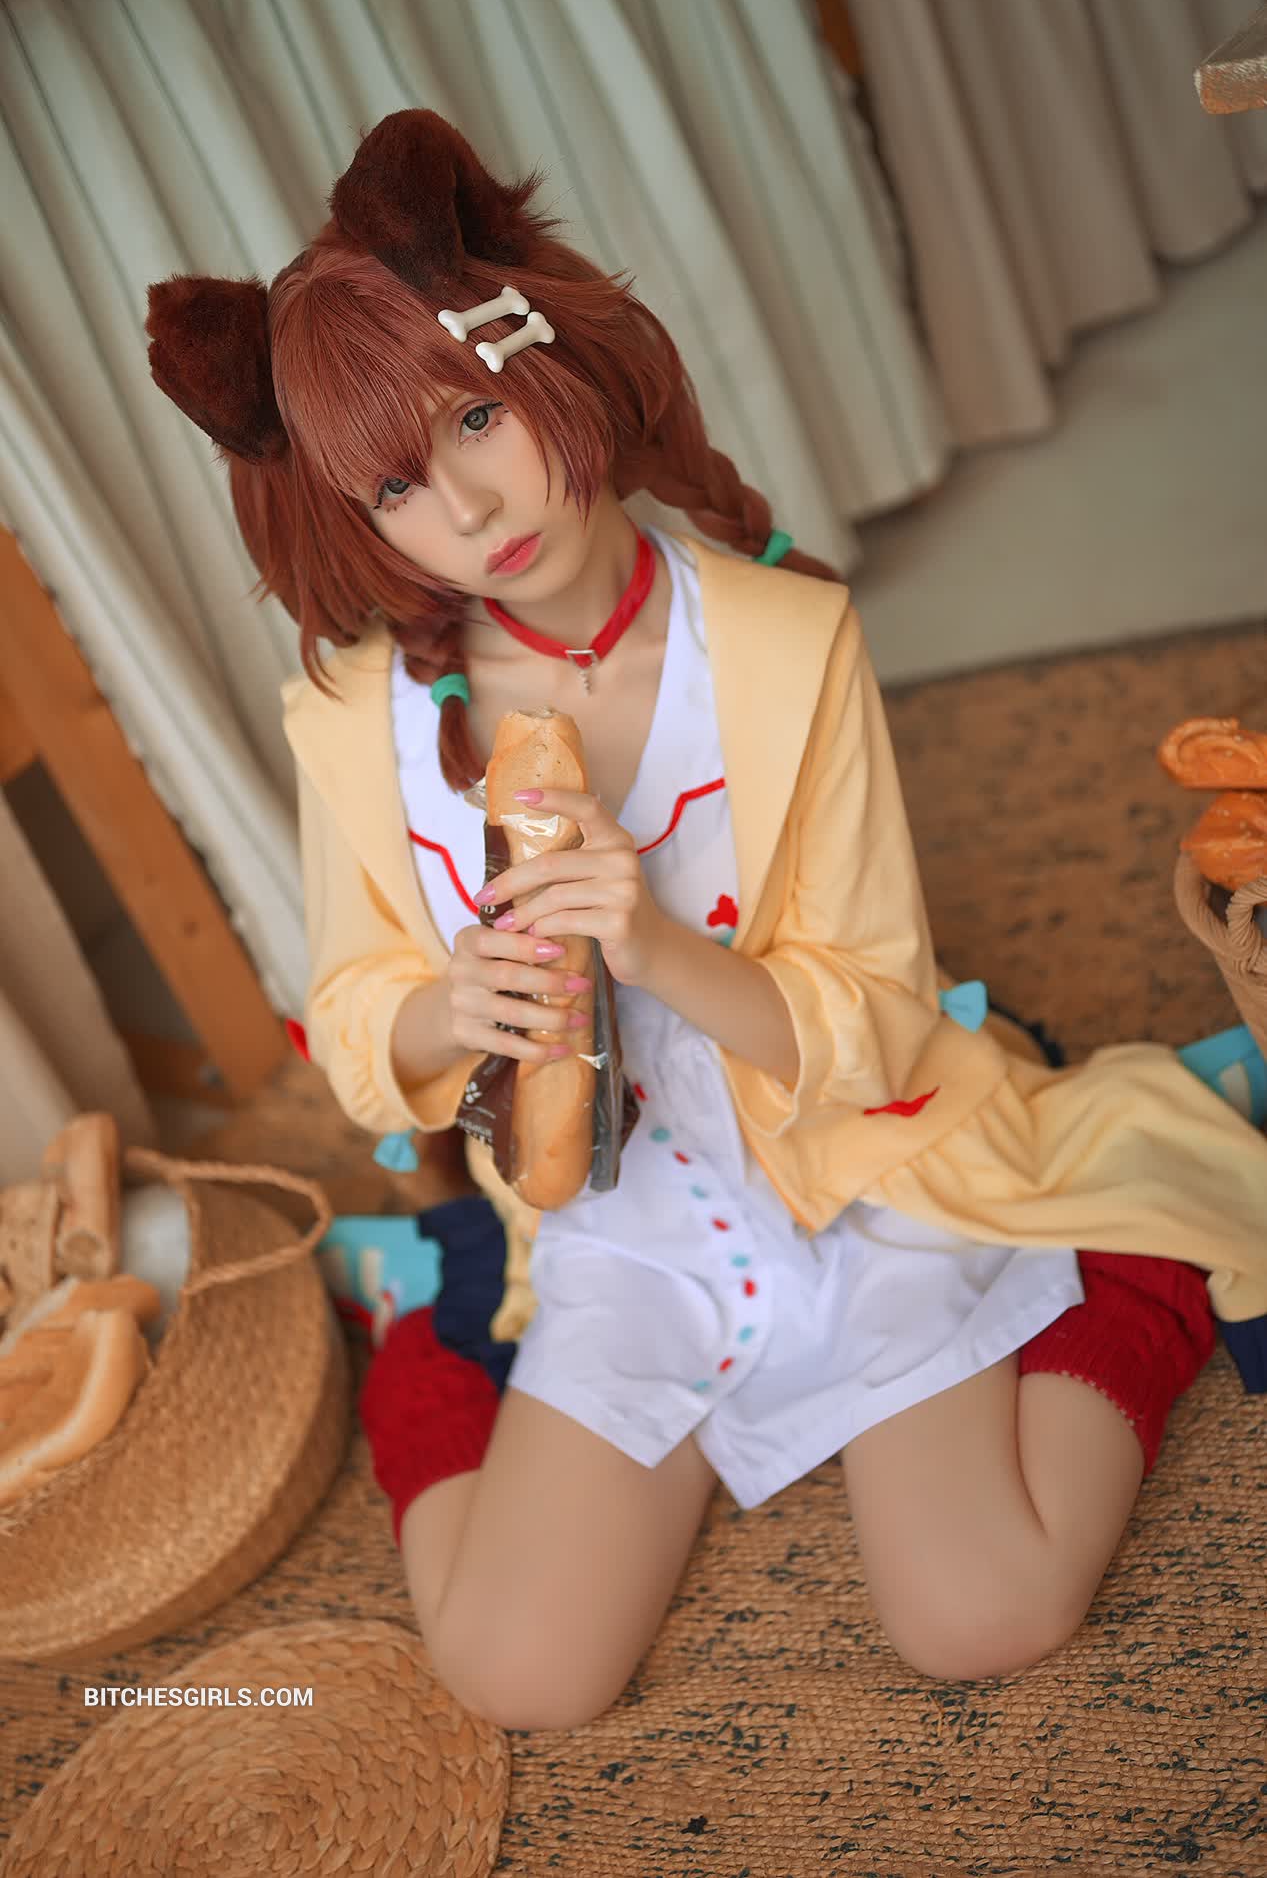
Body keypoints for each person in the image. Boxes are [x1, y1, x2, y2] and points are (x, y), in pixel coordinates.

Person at [146, 109, 1267, 1733]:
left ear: (545, 353)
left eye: (475, 415)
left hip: (857, 1165)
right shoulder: (350, 719)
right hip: (621, 1234)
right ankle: (429, 1351)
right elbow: (353, 1016)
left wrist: (658, 947)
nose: (470, 505)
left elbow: (880, 1015)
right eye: (396, 484)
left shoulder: (787, 641)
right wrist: (454, 1003)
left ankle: (1134, 1263)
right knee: (515, 1675)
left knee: (986, 1611)